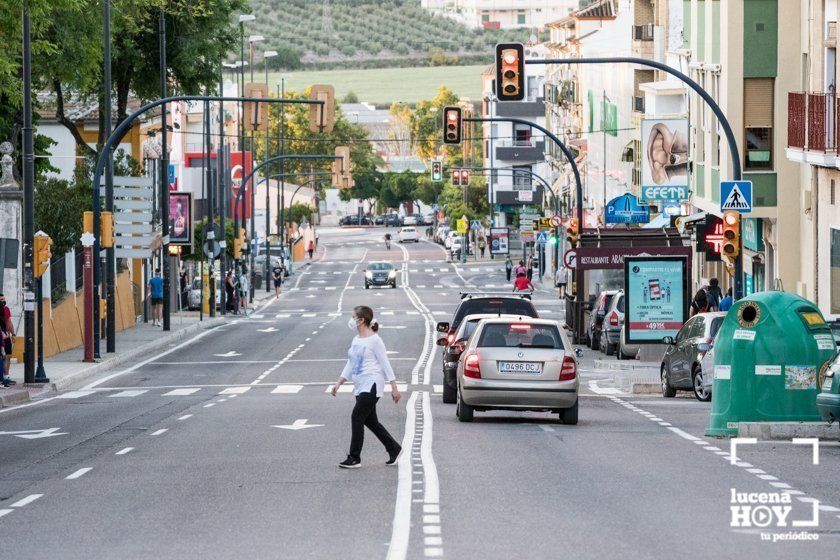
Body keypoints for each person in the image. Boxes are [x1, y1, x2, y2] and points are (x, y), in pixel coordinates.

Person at [331, 305, 402, 469]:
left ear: (361, 320)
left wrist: (394, 387)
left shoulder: (375, 340)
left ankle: (354, 457)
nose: (351, 320)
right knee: (371, 421)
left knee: (357, 416)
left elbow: (385, 363)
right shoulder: (356, 339)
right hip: (360, 384)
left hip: (372, 383)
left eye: (353, 317)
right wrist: (339, 382)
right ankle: (394, 448)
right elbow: (351, 362)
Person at [0, 294, 14, 383]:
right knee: (2, 356)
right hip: (1, 336)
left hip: (7, 336)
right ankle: (2, 378)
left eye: (4, 299)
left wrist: (14, 334)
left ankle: (6, 376)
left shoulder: (6, 309)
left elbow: (9, 321)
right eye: (1, 299)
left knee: (8, 356)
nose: (3, 301)